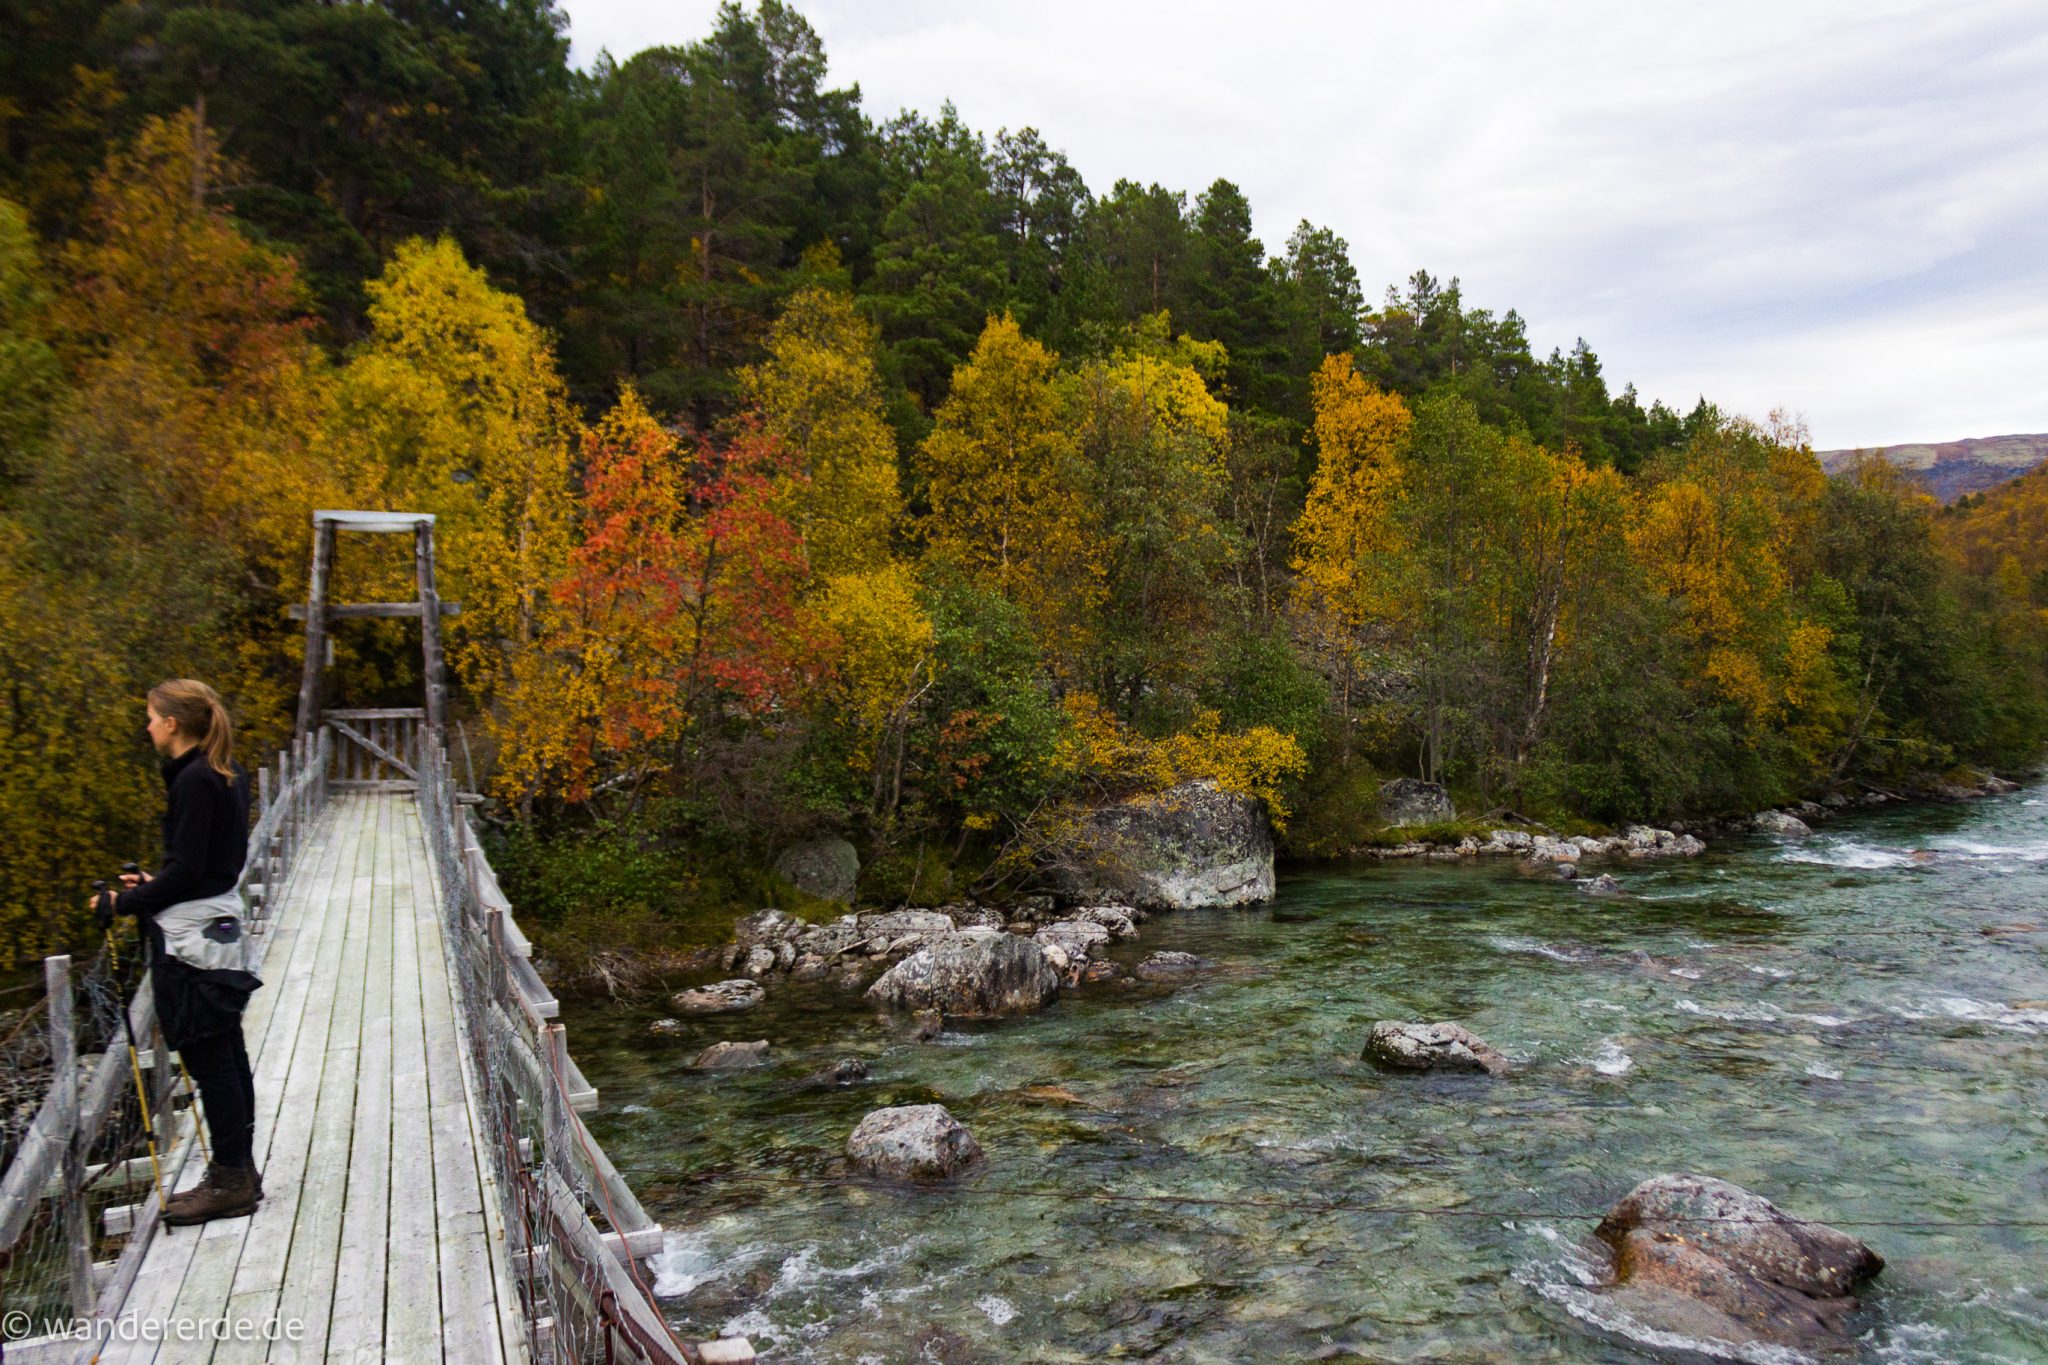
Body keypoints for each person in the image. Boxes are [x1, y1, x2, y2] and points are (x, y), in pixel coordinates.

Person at [105, 679, 265, 1225]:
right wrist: (156, 882)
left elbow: (191, 868)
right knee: (226, 1050)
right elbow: (204, 867)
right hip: (216, 916)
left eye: (151, 717)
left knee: (209, 1055)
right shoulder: (224, 770)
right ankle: (238, 1170)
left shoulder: (196, 779)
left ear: (173, 723)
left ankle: (230, 1180)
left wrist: (125, 901)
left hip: (192, 936)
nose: (147, 725)